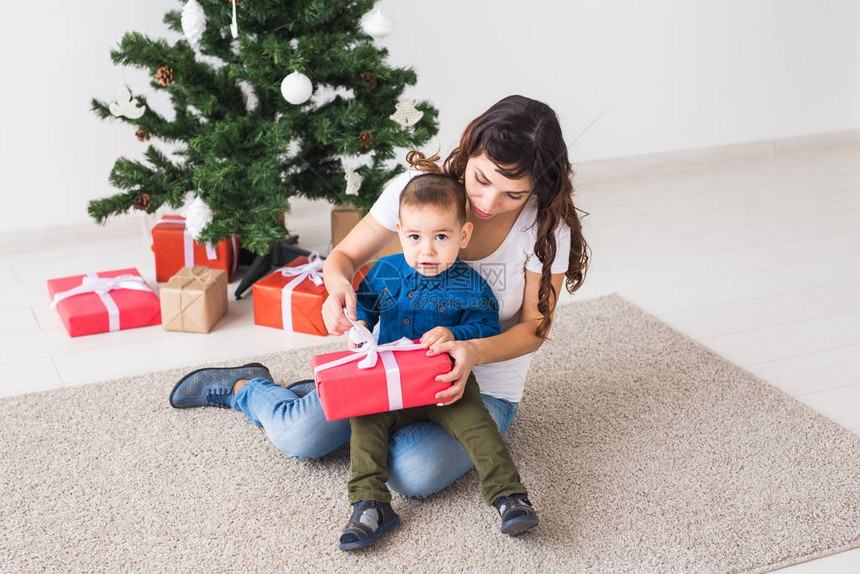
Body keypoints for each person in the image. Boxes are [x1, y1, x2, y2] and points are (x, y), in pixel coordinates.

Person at [169, 94, 589, 508]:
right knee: (297, 436)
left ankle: (338, 408)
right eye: (482, 180)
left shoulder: (544, 227)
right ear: (471, 146)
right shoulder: (418, 191)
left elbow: (536, 327)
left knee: (413, 472)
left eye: (513, 195)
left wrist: (474, 350)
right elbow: (343, 258)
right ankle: (247, 387)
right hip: (390, 368)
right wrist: (338, 289)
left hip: (482, 388)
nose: (488, 204)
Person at [338, 173, 536, 551]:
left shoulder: (471, 284)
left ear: (463, 236)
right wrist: (360, 322)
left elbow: (486, 325)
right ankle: (370, 502)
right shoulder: (386, 272)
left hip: (445, 382)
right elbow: (364, 304)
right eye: (414, 237)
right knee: (363, 421)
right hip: (391, 380)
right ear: (400, 232)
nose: (426, 250)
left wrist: (454, 334)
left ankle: (508, 496)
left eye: (441, 237)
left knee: (478, 427)